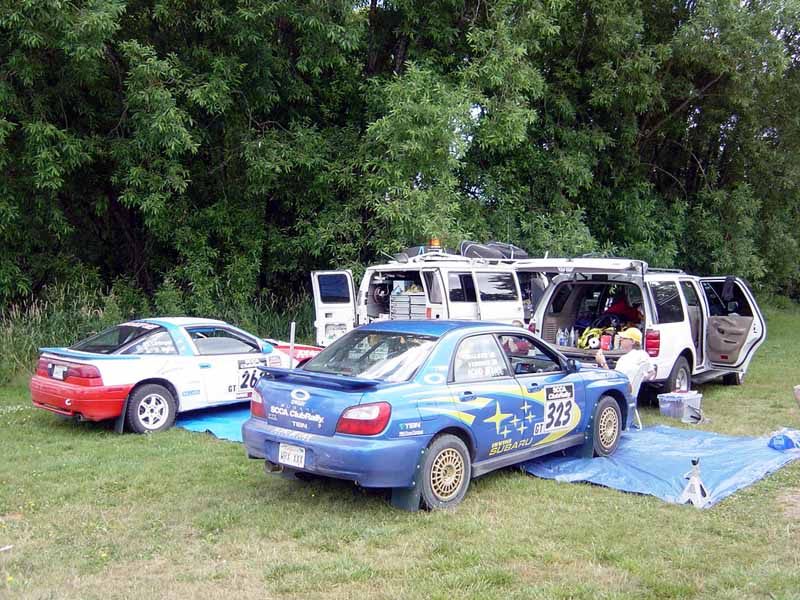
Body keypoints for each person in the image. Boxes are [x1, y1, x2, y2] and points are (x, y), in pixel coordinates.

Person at [595, 328, 655, 396]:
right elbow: (652, 373)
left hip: (620, 394)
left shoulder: (625, 359)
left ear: (632, 341)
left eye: (624, 338)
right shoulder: (644, 354)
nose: (621, 340)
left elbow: (614, 380)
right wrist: (638, 381)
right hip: (629, 393)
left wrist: (602, 362)